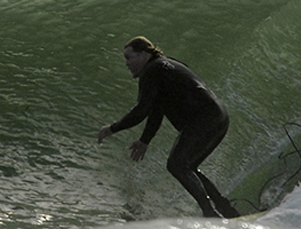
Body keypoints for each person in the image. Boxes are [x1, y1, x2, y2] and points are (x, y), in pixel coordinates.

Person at [98, 36, 240, 218]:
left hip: (204, 119)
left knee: (177, 165)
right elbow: (157, 109)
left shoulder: (151, 71)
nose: (127, 64)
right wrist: (145, 140)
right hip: (218, 116)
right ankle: (226, 210)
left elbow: (141, 110)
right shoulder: (165, 66)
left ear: (143, 54)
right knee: (188, 167)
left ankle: (210, 214)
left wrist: (112, 128)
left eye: (129, 58)